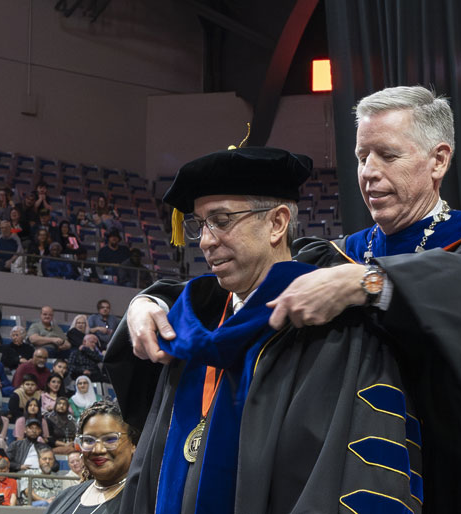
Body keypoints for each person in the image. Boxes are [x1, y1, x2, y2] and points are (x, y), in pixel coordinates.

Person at [118, 86, 461, 514]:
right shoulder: (333, 256)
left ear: (438, 160)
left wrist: (371, 284)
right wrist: (149, 302)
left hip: (451, 484)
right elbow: (245, 283)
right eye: (361, 156)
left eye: (387, 155)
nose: (369, 172)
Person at [106, 147, 423, 513]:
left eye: (222, 220)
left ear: (277, 223)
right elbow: (150, 463)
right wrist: (144, 301)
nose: (206, 241)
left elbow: (352, 479)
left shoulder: (337, 329)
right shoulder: (194, 328)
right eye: (199, 224)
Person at [43, 401, 138, 514]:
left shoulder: (144, 499)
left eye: (110, 439)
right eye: (88, 440)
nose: (97, 449)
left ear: (133, 444)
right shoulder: (64, 498)